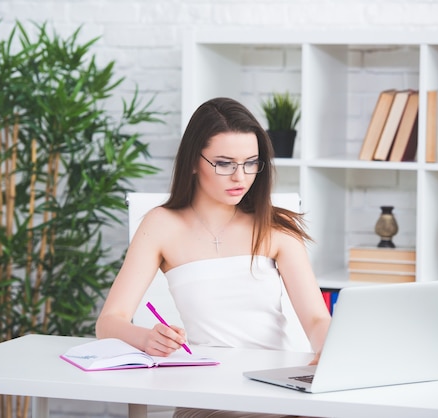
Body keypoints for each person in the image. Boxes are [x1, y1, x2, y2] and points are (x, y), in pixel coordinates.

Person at [96, 97, 331, 418]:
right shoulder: (161, 225)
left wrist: (329, 349)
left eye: (251, 163)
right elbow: (108, 322)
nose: (240, 177)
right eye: (224, 164)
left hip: (278, 391)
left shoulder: (276, 227)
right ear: (194, 161)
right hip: (207, 395)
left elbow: (317, 319)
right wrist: (146, 338)